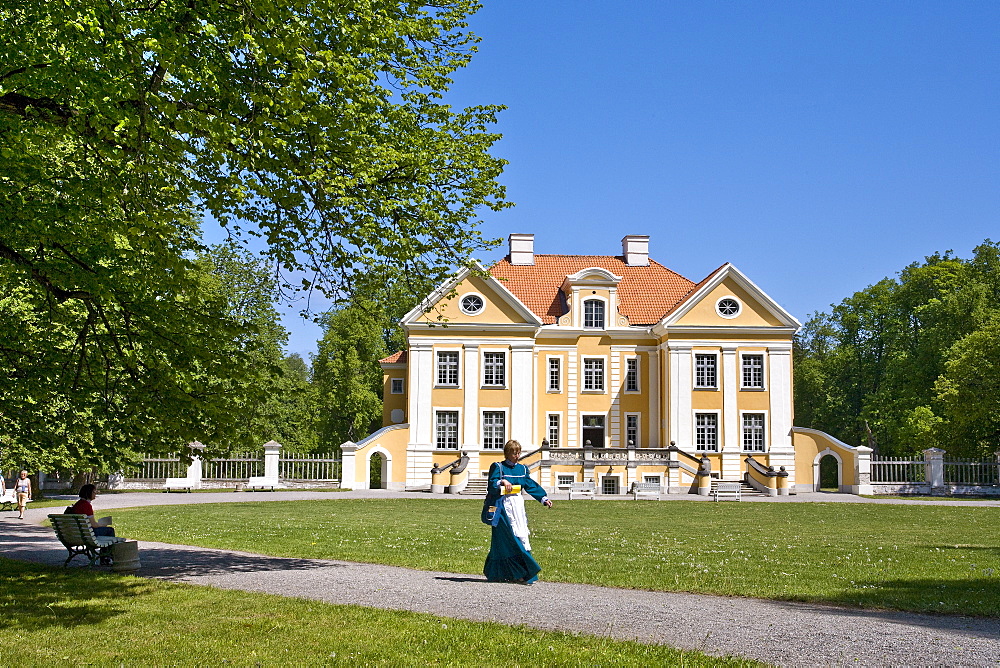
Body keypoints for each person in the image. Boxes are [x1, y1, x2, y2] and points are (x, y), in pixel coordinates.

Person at [482, 439, 553, 585]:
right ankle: (519, 572)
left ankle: (510, 574)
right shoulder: (498, 467)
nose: (517, 455)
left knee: (519, 536)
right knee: (508, 538)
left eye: (519, 452)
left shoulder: (522, 469)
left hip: (517, 506)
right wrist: (502, 482)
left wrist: (543, 498)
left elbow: (530, 485)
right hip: (502, 507)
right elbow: (492, 484)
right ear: (507, 453)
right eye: (514, 453)